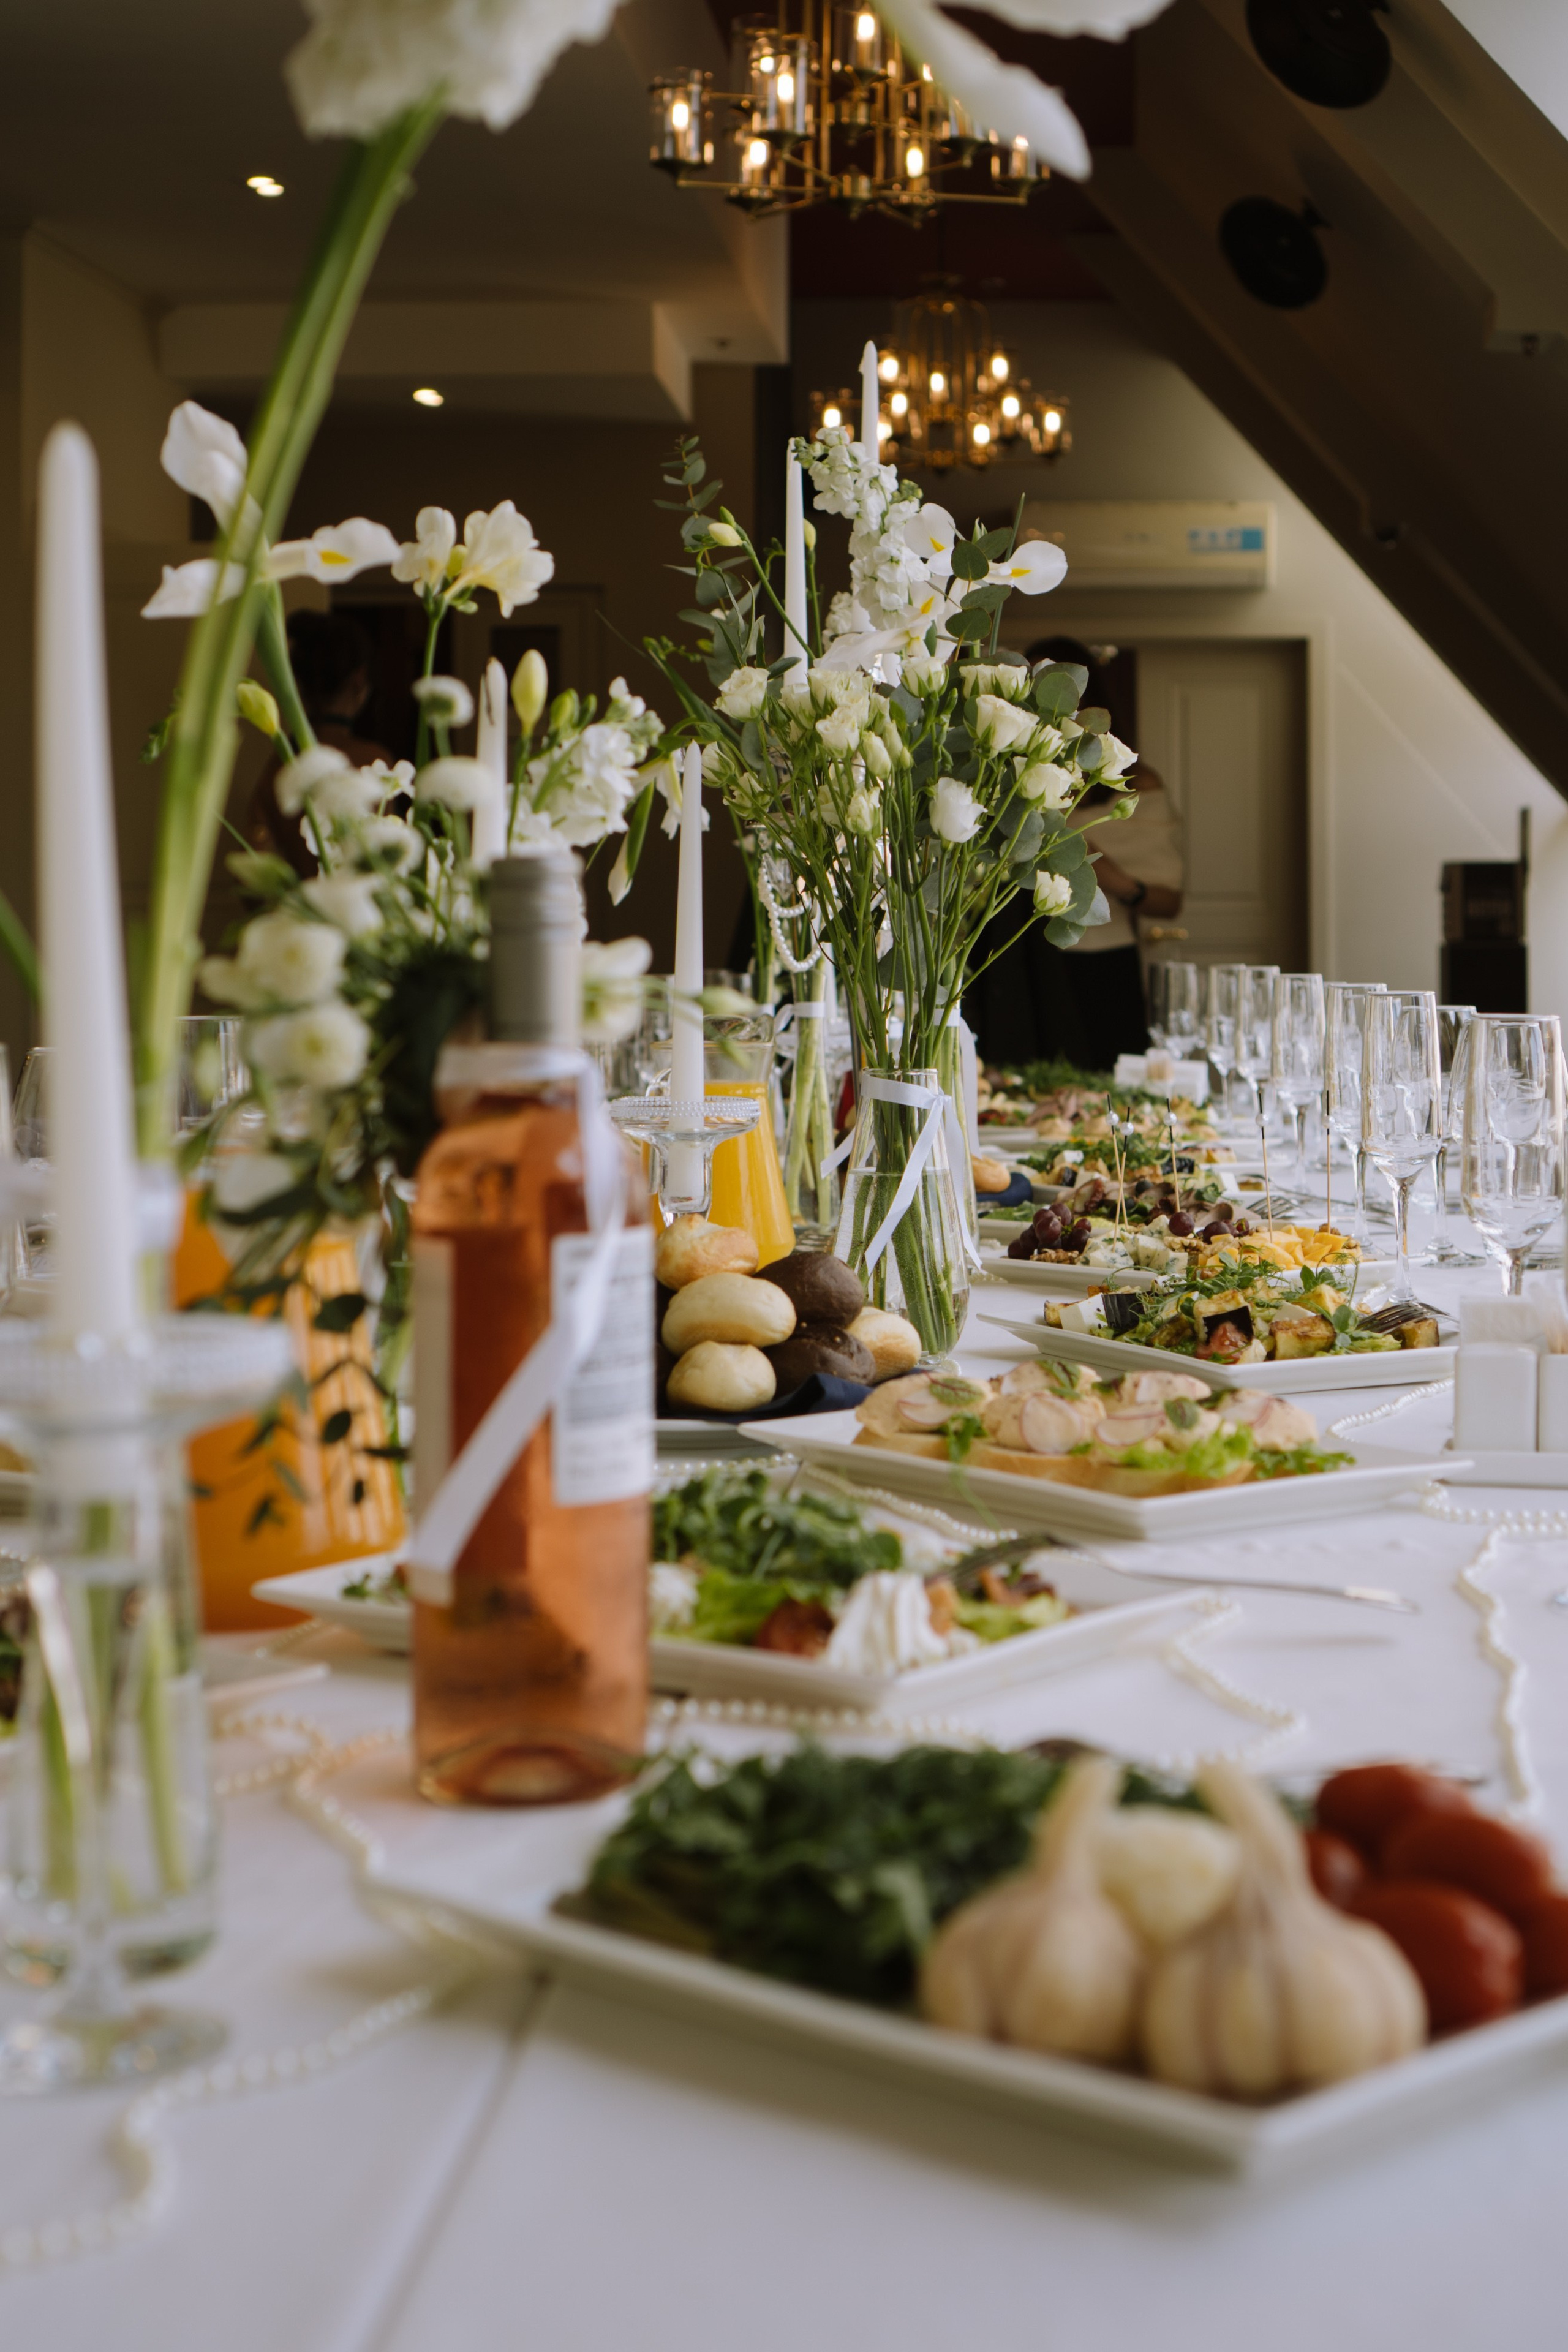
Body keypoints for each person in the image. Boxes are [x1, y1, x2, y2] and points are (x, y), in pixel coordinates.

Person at [965, 636, 1184, 1072]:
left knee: (1106, 1091)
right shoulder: (994, 779)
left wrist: (1081, 853)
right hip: (1010, 959)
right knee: (1007, 1094)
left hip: (1101, 965)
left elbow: (1169, 901)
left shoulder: (1137, 786)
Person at [246, 609, 393, 875]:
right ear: (360, 680)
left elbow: (253, 860)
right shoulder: (375, 761)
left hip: (301, 911)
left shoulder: (280, 766)